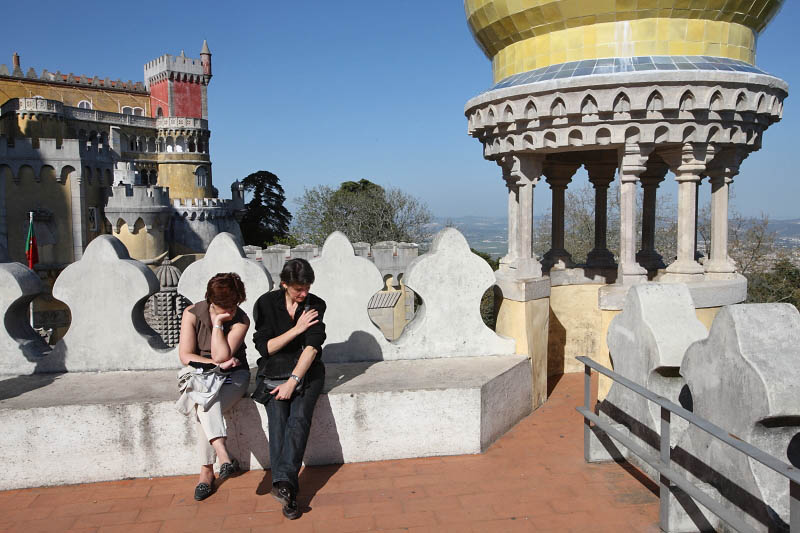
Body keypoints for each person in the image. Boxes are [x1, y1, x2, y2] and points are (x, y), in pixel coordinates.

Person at [252, 258, 326, 520]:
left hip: (306, 371)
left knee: (299, 418)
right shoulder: (266, 304)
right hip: (274, 372)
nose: (304, 294)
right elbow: (266, 347)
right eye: (298, 289)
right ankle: (288, 489)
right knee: (278, 420)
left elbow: (312, 347)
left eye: (307, 287)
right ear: (284, 284)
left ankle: (284, 486)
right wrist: (297, 329)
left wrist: (293, 381)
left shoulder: (315, 305)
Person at [177, 272, 250, 501]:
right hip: (201, 376)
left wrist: (218, 324)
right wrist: (215, 364)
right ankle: (223, 457)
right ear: (210, 299)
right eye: (221, 307)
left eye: (232, 305)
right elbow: (185, 356)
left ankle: (207, 472)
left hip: (234, 376)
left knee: (203, 404)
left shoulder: (241, 319)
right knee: (205, 399)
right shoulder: (191, 314)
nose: (227, 310)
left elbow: (222, 355)